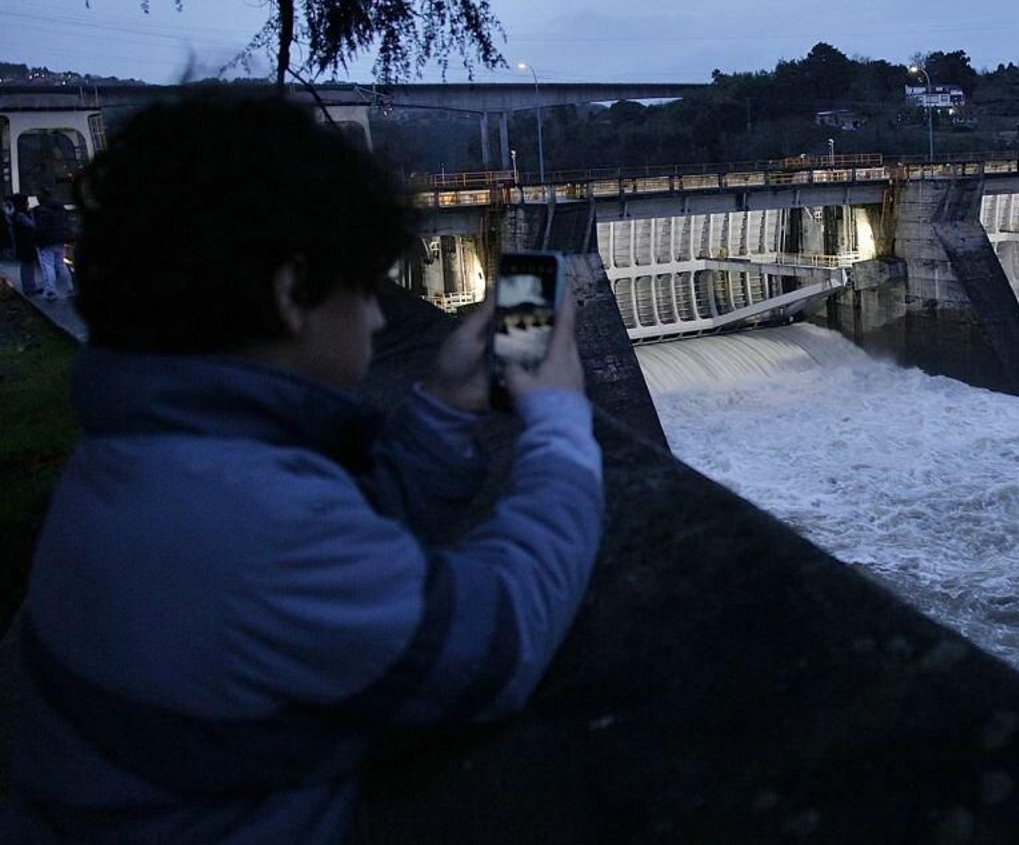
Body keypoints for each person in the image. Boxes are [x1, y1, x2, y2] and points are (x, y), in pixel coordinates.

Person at [5, 93, 605, 844]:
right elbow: (501, 636)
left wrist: (446, 409)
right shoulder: (252, 528)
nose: (382, 318)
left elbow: (339, 542)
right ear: (292, 293)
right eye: (364, 285)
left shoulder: (137, 459)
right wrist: (559, 422)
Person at [30, 186, 74, 300]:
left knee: (47, 266)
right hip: (60, 240)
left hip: (46, 242)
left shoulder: (40, 210)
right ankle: (70, 288)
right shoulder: (60, 208)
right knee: (61, 265)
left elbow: (40, 229)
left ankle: (51, 291)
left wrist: (35, 240)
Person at [6, 193, 40, 295]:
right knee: (28, 266)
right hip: (26, 244)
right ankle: (29, 288)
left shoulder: (14, 214)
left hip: (21, 243)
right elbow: (32, 226)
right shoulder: (20, 215)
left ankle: (29, 287)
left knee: (26, 266)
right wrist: (32, 214)